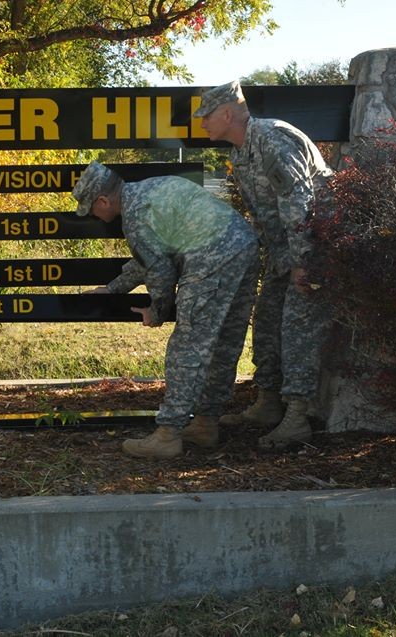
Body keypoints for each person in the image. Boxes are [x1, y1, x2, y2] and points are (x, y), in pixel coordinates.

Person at [72, 161, 259, 458]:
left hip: (211, 261)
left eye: (92, 209)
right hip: (245, 247)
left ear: (104, 201)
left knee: (187, 346)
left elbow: (159, 270)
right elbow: (149, 256)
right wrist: (113, 288)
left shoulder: (134, 216)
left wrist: (156, 311)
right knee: (224, 342)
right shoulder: (152, 189)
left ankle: (168, 434)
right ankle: (206, 424)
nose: (95, 216)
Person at [195, 80, 332, 448]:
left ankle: (297, 418)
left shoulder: (273, 139)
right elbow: (264, 214)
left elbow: (300, 204)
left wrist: (304, 262)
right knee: (267, 320)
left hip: (313, 250)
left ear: (227, 113)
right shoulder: (241, 153)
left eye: (206, 116)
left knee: (296, 329)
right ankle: (269, 403)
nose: (202, 123)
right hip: (283, 253)